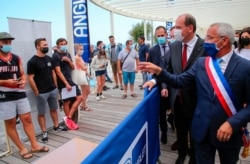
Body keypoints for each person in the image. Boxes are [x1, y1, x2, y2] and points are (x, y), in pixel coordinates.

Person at [139, 22, 250, 164]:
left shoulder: (246, 67)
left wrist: (232, 123)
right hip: (202, 132)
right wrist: (159, 72)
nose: (206, 42)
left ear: (225, 40)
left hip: (229, 133)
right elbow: (179, 80)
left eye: (210, 38)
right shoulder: (202, 63)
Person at [0, 32, 49, 159]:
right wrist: (5, 82)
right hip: (4, 95)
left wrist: (23, 80)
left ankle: (34, 145)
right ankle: (21, 148)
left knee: (27, 119)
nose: (8, 45)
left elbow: (22, 73)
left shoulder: (16, 58)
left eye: (10, 42)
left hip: (19, 92)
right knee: (10, 123)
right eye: (5, 42)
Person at [27, 38, 67, 142]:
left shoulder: (49, 59)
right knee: (41, 113)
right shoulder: (32, 61)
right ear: (38, 46)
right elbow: (30, 78)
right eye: (44, 45)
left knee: (54, 109)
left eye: (47, 45)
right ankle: (44, 132)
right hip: (41, 92)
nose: (46, 46)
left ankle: (56, 126)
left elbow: (53, 72)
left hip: (52, 90)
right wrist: (36, 91)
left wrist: (55, 86)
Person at [147, 26, 171, 145]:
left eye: (162, 35)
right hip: (158, 84)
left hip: (173, 84)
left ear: (166, 34)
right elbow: (149, 66)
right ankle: (164, 132)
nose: (161, 38)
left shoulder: (174, 48)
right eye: (158, 36)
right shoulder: (153, 50)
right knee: (161, 111)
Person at [52, 38, 82, 130]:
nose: (63, 45)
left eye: (65, 43)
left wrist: (68, 60)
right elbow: (58, 71)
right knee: (67, 101)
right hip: (63, 81)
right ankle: (69, 119)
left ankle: (68, 118)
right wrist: (66, 83)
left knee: (79, 97)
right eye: (61, 44)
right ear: (58, 45)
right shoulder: (56, 56)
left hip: (69, 79)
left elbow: (73, 67)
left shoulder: (67, 53)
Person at [74, 44, 91, 110]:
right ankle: (84, 106)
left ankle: (83, 104)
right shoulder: (77, 58)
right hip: (81, 75)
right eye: (80, 49)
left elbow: (84, 68)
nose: (82, 51)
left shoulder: (80, 57)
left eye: (82, 49)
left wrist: (89, 75)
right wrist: (86, 67)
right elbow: (83, 67)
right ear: (76, 50)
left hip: (84, 75)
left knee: (88, 91)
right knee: (84, 91)